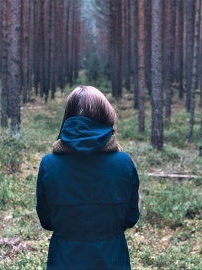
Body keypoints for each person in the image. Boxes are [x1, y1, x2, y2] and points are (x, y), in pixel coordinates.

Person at [36, 86, 140, 269]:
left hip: (64, 261)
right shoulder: (124, 163)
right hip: (112, 260)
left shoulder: (49, 164)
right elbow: (130, 219)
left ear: (67, 117)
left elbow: (46, 222)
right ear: (106, 116)